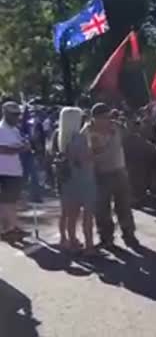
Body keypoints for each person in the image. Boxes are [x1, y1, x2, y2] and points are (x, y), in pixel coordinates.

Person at [82, 103, 138, 249]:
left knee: (124, 205)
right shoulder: (87, 131)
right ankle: (106, 237)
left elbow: (131, 136)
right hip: (99, 173)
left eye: (107, 117)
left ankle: (129, 234)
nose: (106, 121)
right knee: (102, 209)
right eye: (102, 118)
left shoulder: (117, 127)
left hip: (119, 171)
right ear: (94, 118)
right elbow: (84, 153)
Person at [57, 107, 98, 255]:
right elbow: (84, 159)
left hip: (68, 180)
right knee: (87, 215)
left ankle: (71, 241)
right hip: (84, 179)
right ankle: (89, 246)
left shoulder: (60, 137)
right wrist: (97, 150)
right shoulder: (79, 138)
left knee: (71, 215)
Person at [0, 101, 29, 242]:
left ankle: (13, 226)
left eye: (18, 114)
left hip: (15, 170)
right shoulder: (1, 129)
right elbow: (2, 149)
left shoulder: (15, 130)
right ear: (5, 114)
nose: (17, 117)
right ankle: (7, 230)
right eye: (14, 115)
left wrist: (26, 145)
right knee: (6, 202)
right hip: (4, 171)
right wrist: (20, 149)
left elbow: (19, 144)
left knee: (12, 201)